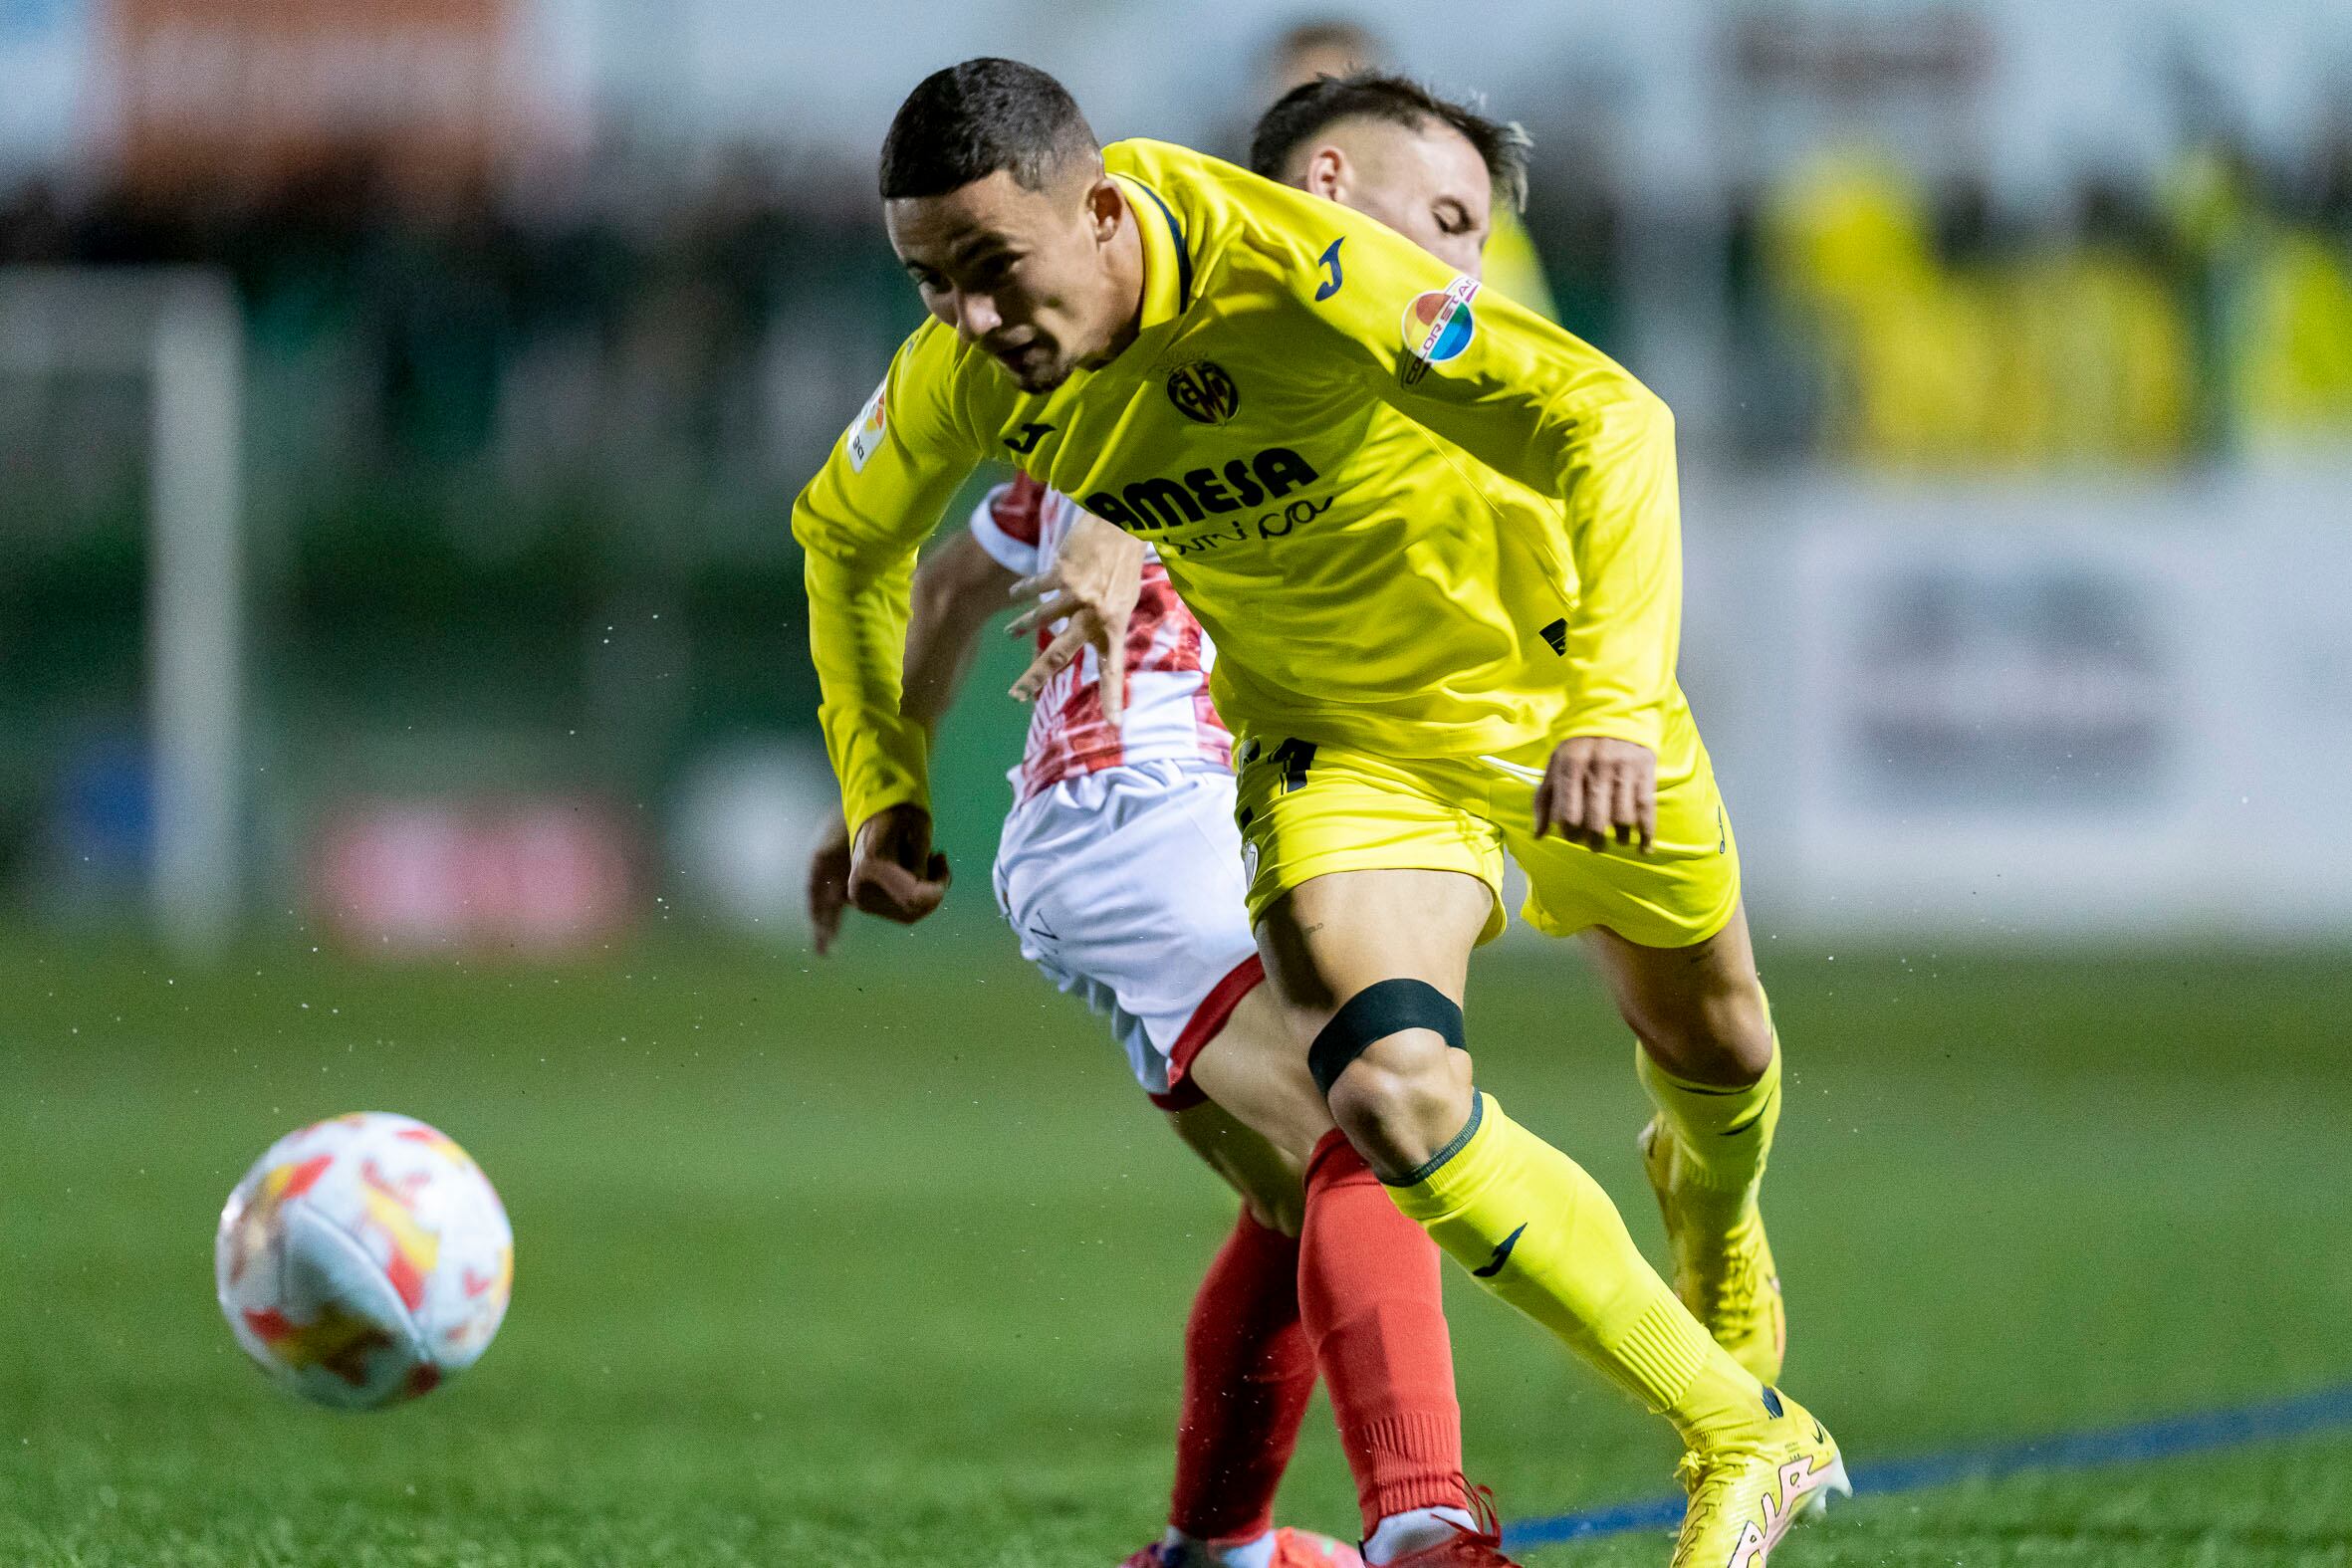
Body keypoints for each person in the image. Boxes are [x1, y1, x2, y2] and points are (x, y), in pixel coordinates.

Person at [794, 57, 1845, 1568]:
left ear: (1097, 212)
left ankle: (1715, 1211)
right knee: (1383, 1096)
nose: (964, 318)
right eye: (926, 282)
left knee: (1720, 1045)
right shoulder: (981, 369)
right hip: (1340, 751)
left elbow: (1612, 425)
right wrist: (882, 781)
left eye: (988, 271)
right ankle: (1736, 1431)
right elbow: (842, 538)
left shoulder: (1308, 275)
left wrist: (1615, 702)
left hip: (1551, 707)